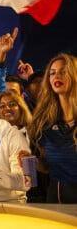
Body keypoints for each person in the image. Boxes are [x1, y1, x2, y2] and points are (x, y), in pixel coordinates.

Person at [26, 53, 77, 203]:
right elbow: (47, 167)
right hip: (58, 199)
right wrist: (34, 163)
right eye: (52, 73)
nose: (57, 76)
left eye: (63, 71)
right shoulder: (45, 122)